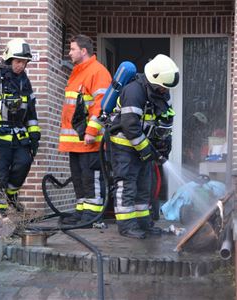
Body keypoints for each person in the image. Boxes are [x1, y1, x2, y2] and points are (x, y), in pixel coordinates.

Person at [109, 54, 179, 239]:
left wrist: (164, 143)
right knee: (127, 184)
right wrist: (146, 149)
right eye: (163, 87)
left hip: (143, 147)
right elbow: (130, 125)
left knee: (144, 186)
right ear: (154, 78)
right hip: (125, 146)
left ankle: (142, 223)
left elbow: (165, 119)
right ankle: (126, 225)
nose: (165, 90)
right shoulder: (134, 91)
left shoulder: (161, 93)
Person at [0, 38, 41, 214]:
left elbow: (31, 112)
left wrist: (34, 135)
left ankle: (11, 194)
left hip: (19, 135)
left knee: (24, 162)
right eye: (18, 61)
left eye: (24, 62)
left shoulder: (24, 81)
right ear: (8, 59)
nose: (21, 66)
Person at [58, 34, 112, 224]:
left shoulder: (98, 72)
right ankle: (81, 212)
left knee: (92, 179)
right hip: (76, 142)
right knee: (79, 179)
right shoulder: (78, 72)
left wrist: (91, 131)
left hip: (90, 140)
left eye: (72, 49)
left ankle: (92, 215)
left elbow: (101, 105)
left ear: (83, 50)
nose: (69, 52)